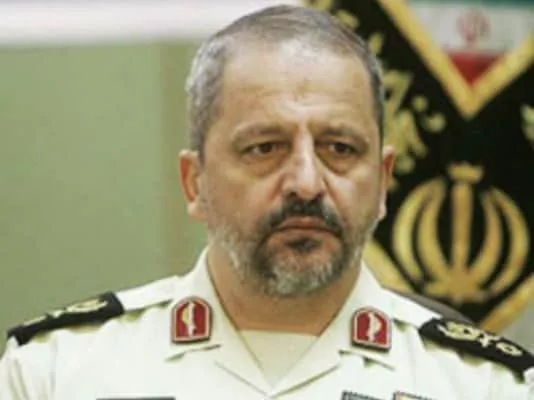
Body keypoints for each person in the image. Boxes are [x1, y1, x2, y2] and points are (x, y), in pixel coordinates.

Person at [1, 5, 533, 399]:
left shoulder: (484, 387)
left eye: (340, 148)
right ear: (194, 182)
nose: (306, 182)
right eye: (265, 148)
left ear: (382, 183)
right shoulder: (56, 374)